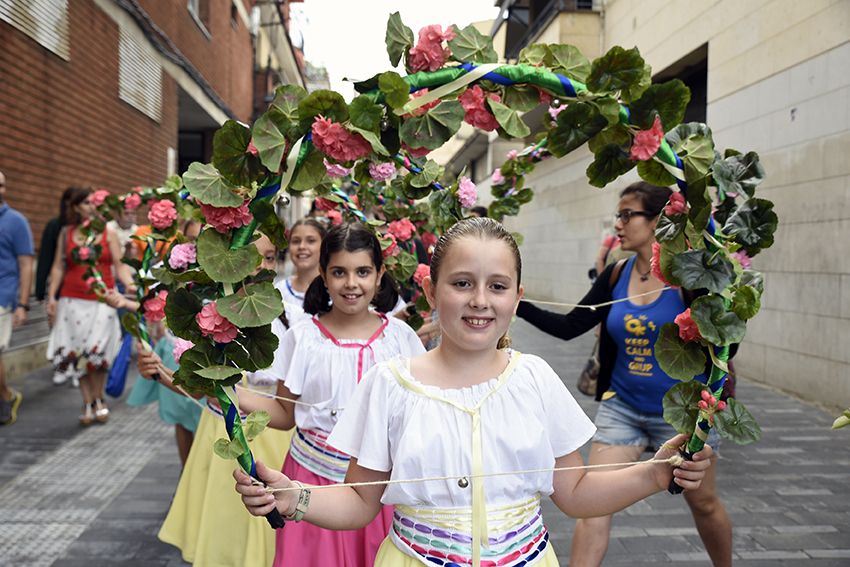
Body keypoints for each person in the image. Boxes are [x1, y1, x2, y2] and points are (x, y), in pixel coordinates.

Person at [234, 216, 713, 567]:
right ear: (432, 291)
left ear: (517, 297)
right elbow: (361, 502)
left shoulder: (536, 378)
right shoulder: (390, 383)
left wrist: (655, 473)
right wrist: (295, 498)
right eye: (462, 283)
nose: (480, 300)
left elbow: (576, 493)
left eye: (498, 286)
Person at [514, 182, 732, 567]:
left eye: (627, 214)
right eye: (618, 214)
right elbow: (569, 326)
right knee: (593, 506)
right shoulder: (616, 274)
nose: (618, 222)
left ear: (659, 220)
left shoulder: (691, 278)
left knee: (705, 504)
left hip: (684, 414)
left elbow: (726, 341)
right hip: (623, 407)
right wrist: (512, 299)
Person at [238, 222, 425, 567]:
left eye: (363, 271)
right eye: (339, 272)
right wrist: (233, 397)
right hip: (310, 481)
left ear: (380, 274)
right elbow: (285, 414)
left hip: (379, 488)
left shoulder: (400, 339)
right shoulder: (304, 337)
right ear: (323, 275)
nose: (351, 283)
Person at [135, 233, 307, 566]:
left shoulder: (289, 315)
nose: (261, 268)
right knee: (224, 534)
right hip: (221, 437)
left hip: (274, 438)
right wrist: (160, 373)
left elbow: (293, 402)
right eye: (252, 259)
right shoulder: (212, 315)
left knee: (273, 538)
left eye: (269, 259)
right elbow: (200, 389)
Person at [104, 219, 204, 465]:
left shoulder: (224, 275)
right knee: (180, 416)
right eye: (192, 239)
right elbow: (150, 302)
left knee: (204, 417)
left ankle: (202, 477)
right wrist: (124, 302)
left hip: (208, 356)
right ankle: (185, 475)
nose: (198, 246)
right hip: (175, 351)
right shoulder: (171, 269)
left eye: (204, 239)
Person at [45, 187, 134, 425]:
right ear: (75, 207)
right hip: (71, 301)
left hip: (102, 300)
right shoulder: (66, 233)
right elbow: (57, 267)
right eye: (85, 202)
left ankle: (99, 397)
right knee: (78, 352)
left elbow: (119, 264)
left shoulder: (108, 232)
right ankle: (87, 402)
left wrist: (130, 285)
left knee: (99, 351)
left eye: (93, 202)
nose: (90, 206)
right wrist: (51, 297)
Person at [0, 170, 34, 426]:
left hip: (3, 296)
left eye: (1, 185)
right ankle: (7, 395)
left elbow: (25, 264)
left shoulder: (15, 221)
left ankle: (6, 396)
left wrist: (23, 304)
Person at [35, 187, 75, 302]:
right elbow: (45, 258)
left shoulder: (87, 228)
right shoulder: (55, 226)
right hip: (58, 285)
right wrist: (40, 290)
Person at [275, 218, 326, 308]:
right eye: (296, 241)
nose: (302, 246)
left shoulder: (334, 291)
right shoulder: (278, 291)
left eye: (311, 241)